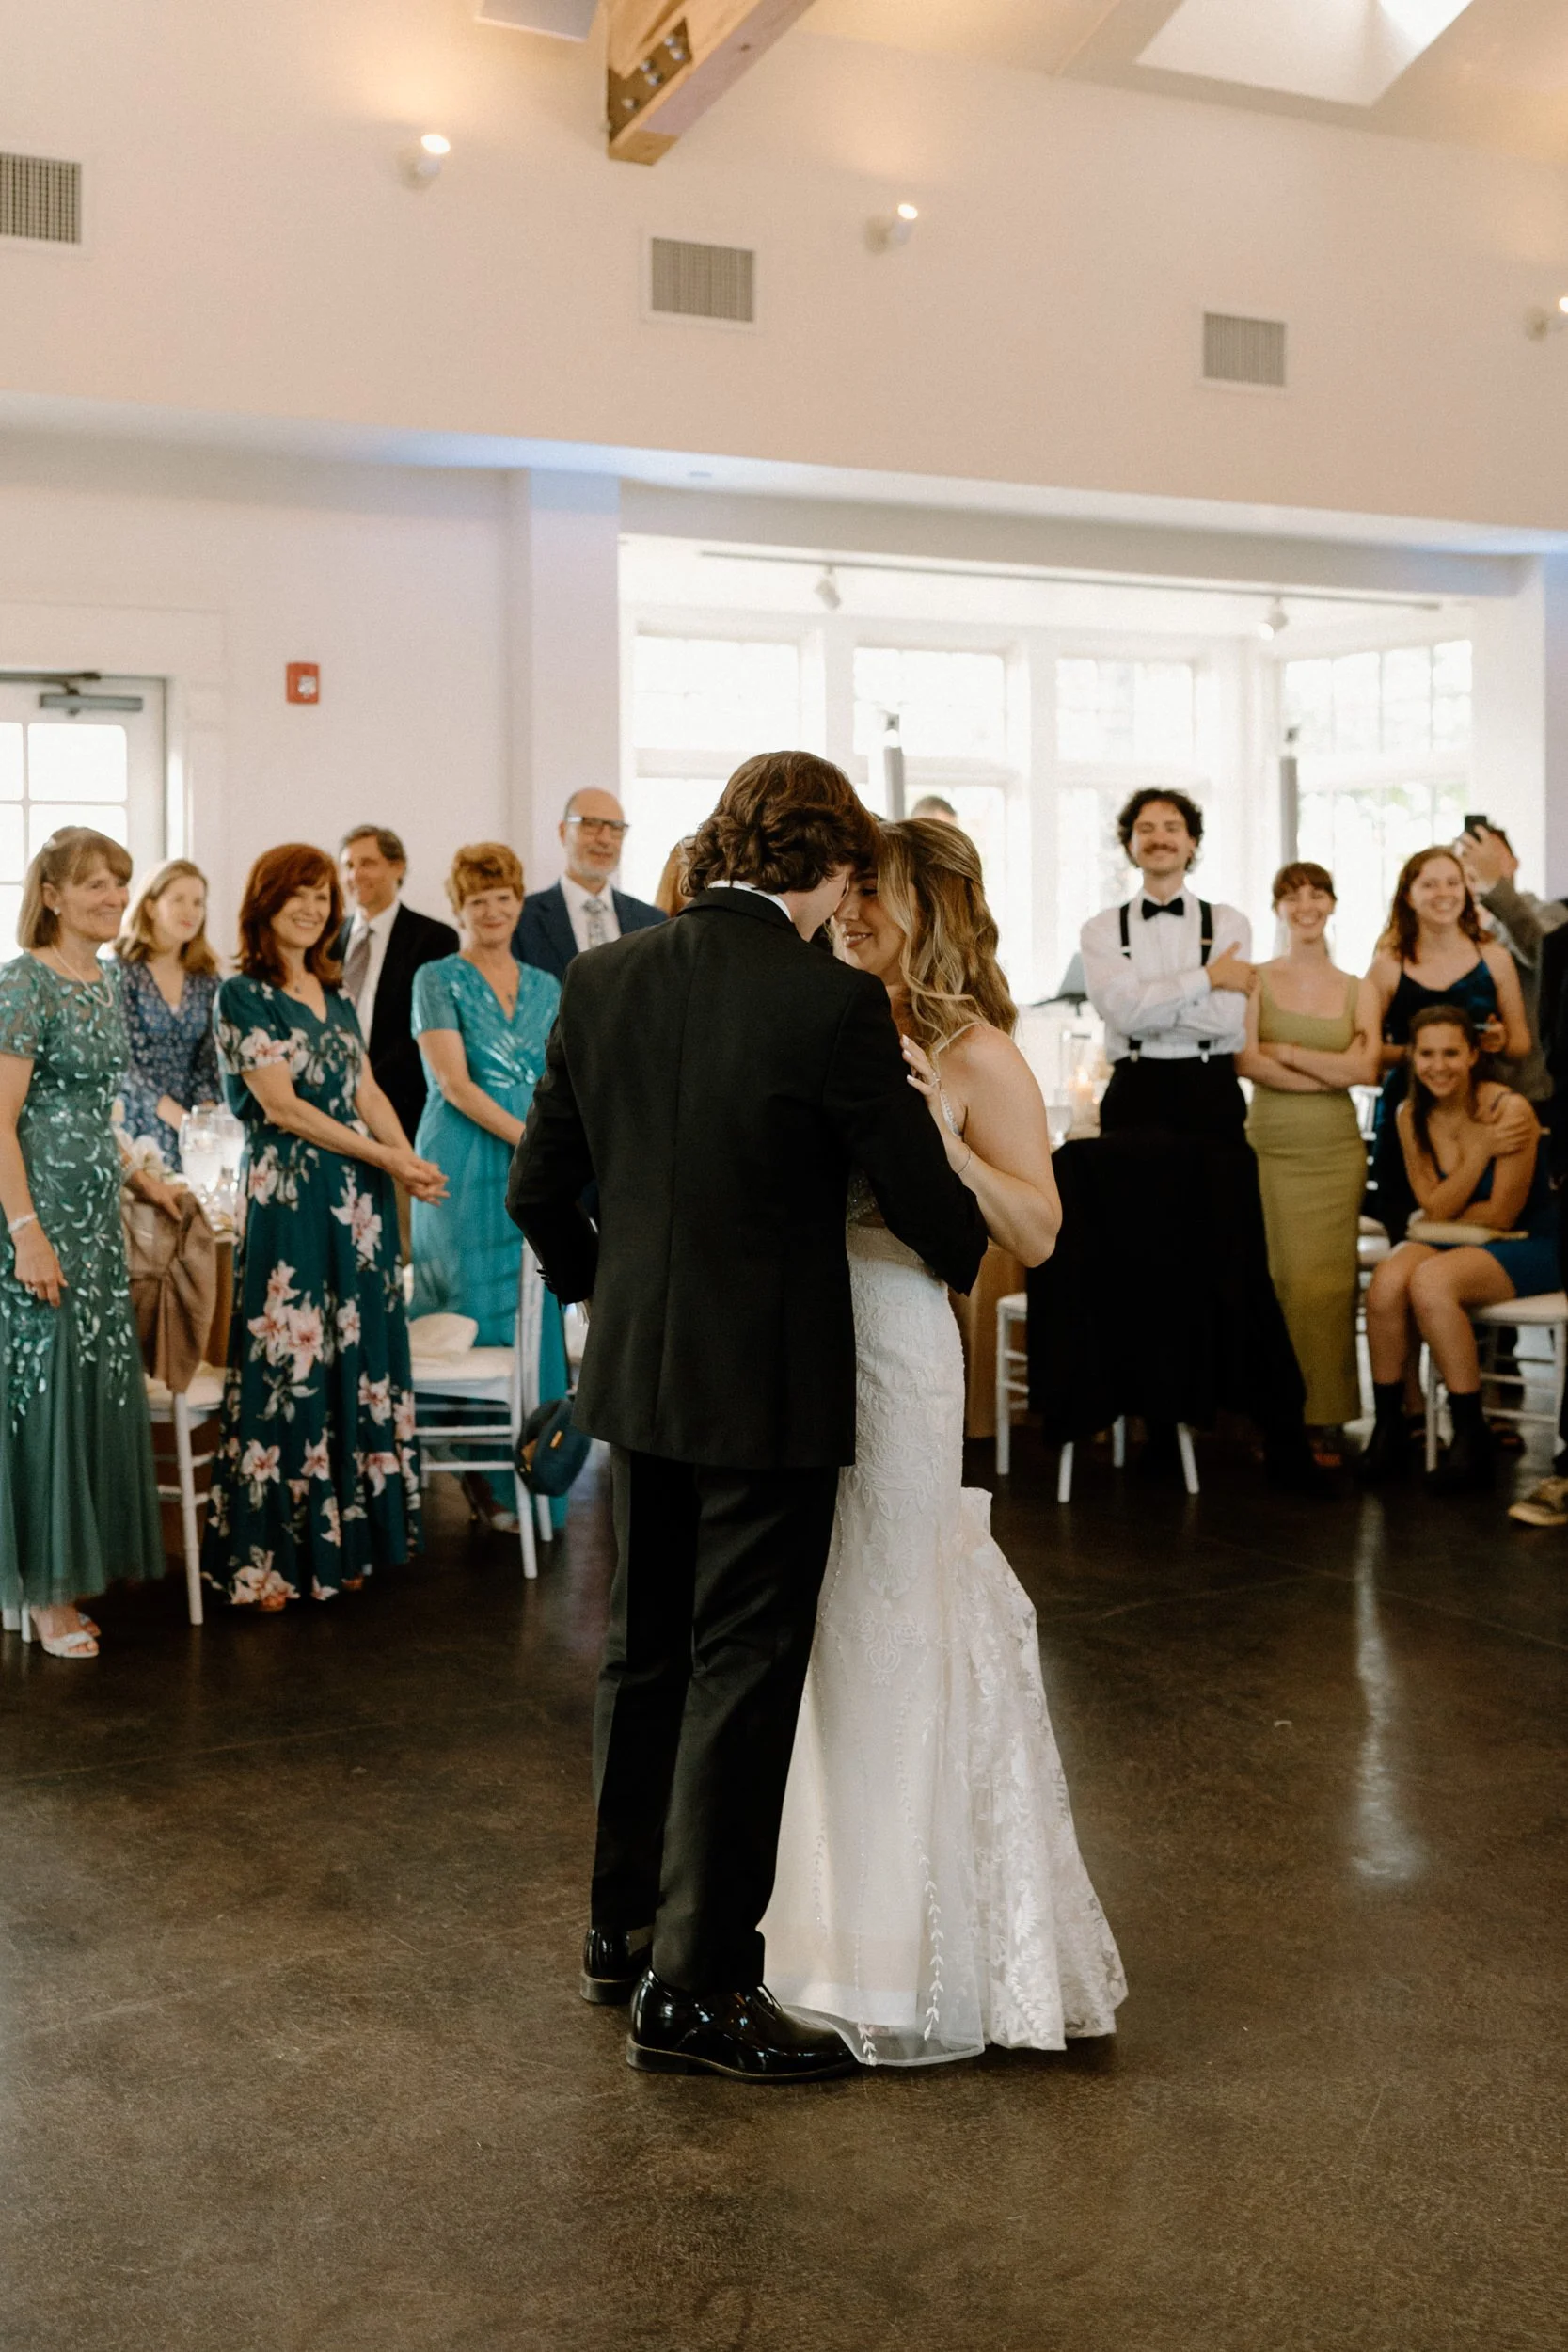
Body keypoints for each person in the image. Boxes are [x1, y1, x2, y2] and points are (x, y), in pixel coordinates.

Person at [508, 751, 988, 2085]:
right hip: (767, 1386)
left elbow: (539, 1190)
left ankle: (618, 1931)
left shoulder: (604, 979)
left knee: (642, 1654)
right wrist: (937, 1143)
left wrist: (610, 1294)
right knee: (739, 1667)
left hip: (639, 1377)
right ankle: (701, 1986)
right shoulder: (830, 1004)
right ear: (830, 864)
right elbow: (938, 1223)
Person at [763, 818, 1126, 2064]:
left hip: (900, 1347)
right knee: (816, 1627)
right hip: (795, 1347)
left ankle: (915, 1952)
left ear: (937, 908)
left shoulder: (976, 1050)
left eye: (880, 891)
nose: (853, 908)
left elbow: (1037, 1228)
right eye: (846, 887)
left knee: (890, 1615)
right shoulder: (818, 1020)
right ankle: (818, 1932)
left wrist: (946, 1143)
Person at [201, 844, 446, 1608]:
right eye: (295, 895)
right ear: (264, 903)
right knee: (289, 1366)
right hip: (292, 1199)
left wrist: (408, 1160)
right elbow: (282, 1107)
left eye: (320, 895)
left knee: (357, 1357)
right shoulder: (243, 994)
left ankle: (347, 1544)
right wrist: (384, 1154)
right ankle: (269, 1559)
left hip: (361, 1206)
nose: (311, 907)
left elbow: (366, 1088)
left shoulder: (334, 993)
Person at [1079, 788, 1319, 1486]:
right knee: (1147, 1265)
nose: (1158, 838)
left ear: (1192, 842)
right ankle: (1160, 1434)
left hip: (1210, 1093)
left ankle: (1284, 1439)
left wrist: (1167, 996)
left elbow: (1219, 1023)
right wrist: (1203, 979)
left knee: (1237, 1257)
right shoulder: (1100, 927)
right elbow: (1114, 1007)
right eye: (1145, 828)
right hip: (1136, 1094)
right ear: (1128, 843)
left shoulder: (1232, 919)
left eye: (1171, 827)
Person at [0, 828, 175, 1658]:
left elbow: (98, 1114)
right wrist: (26, 1234)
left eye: (120, 883)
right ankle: (43, 1590)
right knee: (47, 1386)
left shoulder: (102, 980)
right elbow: (0, 1121)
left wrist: (145, 1181)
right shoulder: (22, 984)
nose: (112, 896)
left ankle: (69, 1569)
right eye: (95, 884)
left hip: (97, 1217)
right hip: (38, 1217)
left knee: (93, 1380)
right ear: (54, 895)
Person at [410, 842, 568, 1534]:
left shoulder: (547, 985)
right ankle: (478, 1479)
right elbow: (454, 1084)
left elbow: (560, 1078)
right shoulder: (435, 977)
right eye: (479, 900)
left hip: (530, 1158)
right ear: (460, 909)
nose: (494, 910)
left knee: (532, 1310)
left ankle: (539, 1471)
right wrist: (530, 1139)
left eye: (504, 897)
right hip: (463, 1157)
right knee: (467, 1308)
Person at [1358, 1005, 1551, 1493]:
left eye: (1450, 1053)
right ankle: (1391, 1427)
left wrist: (1445, 1209)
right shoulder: (1408, 1114)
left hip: (1530, 1241)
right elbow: (1430, 1203)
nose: (1437, 1066)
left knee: (1430, 1282)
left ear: (1472, 1055)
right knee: (1384, 1286)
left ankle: (1471, 1436)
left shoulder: (1509, 1111)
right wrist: (1481, 1153)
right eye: (1426, 1053)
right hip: (1452, 1236)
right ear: (1412, 1057)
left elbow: (1502, 1213)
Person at [1238, 862, 1381, 1468]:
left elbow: (1366, 1072)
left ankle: (1326, 1416)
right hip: (1271, 1140)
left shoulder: (1359, 987)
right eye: (1292, 895)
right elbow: (1244, 1061)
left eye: (1317, 893)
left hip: (1336, 1147)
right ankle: (1277, 1415)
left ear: (1332, 903)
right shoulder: (1254, 980)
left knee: (1329, 1284)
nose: (1305, 904)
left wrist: (1287, 1051)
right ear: (1277, 907)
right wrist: (1330, 1066)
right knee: (1278, 1278)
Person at [1365, 847, 1529, 1239]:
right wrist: (1424, 1056)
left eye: (1453, 883)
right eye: (1430, 884)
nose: (1444, 893)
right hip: (1408, 1111)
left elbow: (1522, 1045)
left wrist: (1501, 1040)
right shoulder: (1388, 964)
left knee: (1477, 1225)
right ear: (1408, 894)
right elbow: (1368, 1054)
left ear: (1467, 890)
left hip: (1479, 1109)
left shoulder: (1494, 957)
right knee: (1407, 1229)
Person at [335, 826, 457, 1148]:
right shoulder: (325, 939)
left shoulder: (434, 939)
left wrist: (368, 1090)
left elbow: (426, 1032)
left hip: (402, 1109)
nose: (355, 874)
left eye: (367, 863)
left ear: (397, 867)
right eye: (348, 865)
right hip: (331, 1109)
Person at [115, 857, 222, 1156]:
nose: (190, 911)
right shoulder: (121, 972)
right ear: (150, 907)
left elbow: (210, 1061)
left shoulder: (208, 979)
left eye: (198, 902)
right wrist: (175, 1116)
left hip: (198, 1130)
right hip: (137, 1121)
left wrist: (204, 1119)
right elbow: (124, 1063)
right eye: (179, 900)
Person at [1457, 821, 1566, 1105]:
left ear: (1514, 862)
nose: (1477, 862)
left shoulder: (1546, 912)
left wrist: (1495, 888)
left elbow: (1547, 954)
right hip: (1464, 1089)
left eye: (1488, 852)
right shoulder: (1450, 930)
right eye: (1467, 853)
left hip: (1532, 1089)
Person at [511, 789, 664, 978]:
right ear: (563, 831)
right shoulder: (521, 919)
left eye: (616, 828)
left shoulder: (653, 922)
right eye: (591, 825)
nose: (605, 839)